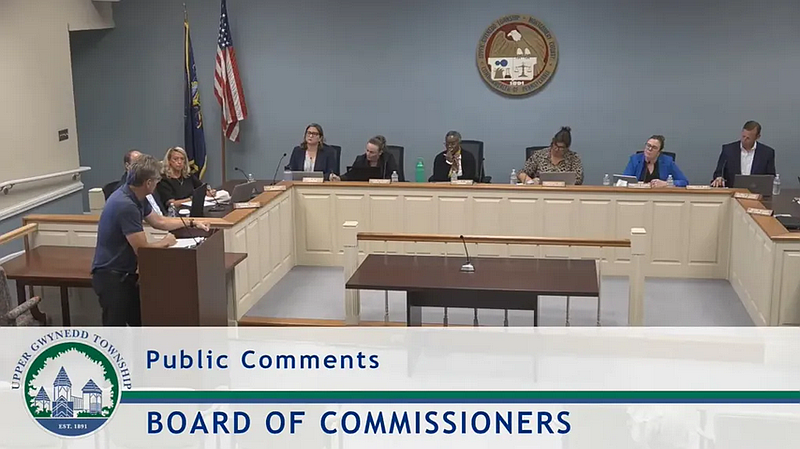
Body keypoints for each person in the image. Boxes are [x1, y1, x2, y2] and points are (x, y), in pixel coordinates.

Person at [91, 154, 211, 326]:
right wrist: (166, 242)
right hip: (112, 277)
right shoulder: (125, 204)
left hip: (126, 275)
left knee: (139, 324)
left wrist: (192, 222)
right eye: (156, 180)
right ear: (148, 183)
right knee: (115, 332)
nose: (157, 184)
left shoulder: (136, 195)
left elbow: (159, 221)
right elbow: (142, 250)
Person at [711, 121, 776, 187]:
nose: (744, 140)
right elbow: (718, 172)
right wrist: (719, 178)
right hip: (732, 192)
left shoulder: (767, 153)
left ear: (757, 137)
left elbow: (771, 177)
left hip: (756, 193)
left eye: (748, 138)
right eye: (743, 136)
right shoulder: (728, 150)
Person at [518, 127, 584, 185]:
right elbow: (521, 173)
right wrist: (530, 181)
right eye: (555, 145)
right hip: (541, 193)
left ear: (567, 148)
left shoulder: (573, 158)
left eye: (561, 147)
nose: (556, 149)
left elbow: (578, 180)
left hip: (565, 194)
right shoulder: (540, 155)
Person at [622, 135, 688, 187]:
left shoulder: (667, 162)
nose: (650, 149)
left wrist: (666, 184)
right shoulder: (635, 160)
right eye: (648, 145)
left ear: (659, 152)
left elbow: (684, 182)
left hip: (661, 198)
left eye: (654, 147)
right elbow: (624, 181)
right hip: (638, 197)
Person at [119, 149, 163, 215]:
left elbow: (159, 220)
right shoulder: (127, 198)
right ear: (128, 166)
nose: (143, 166)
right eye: (138, 163)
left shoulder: (147, 183)